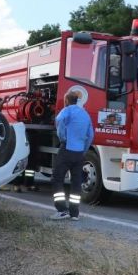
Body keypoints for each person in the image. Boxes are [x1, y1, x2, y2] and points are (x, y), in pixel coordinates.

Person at [50, 90, 93, 221]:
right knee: (76, 182)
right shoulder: (85, 114)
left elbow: (59, 120)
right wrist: (84, 150)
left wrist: (62, 136)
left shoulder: (67, 110)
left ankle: (62, 210)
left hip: (67, 149)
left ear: (67, 101)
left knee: (57, 179)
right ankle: (74, 213)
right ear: (77, 100)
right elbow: (90, 135)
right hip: (79, 152)